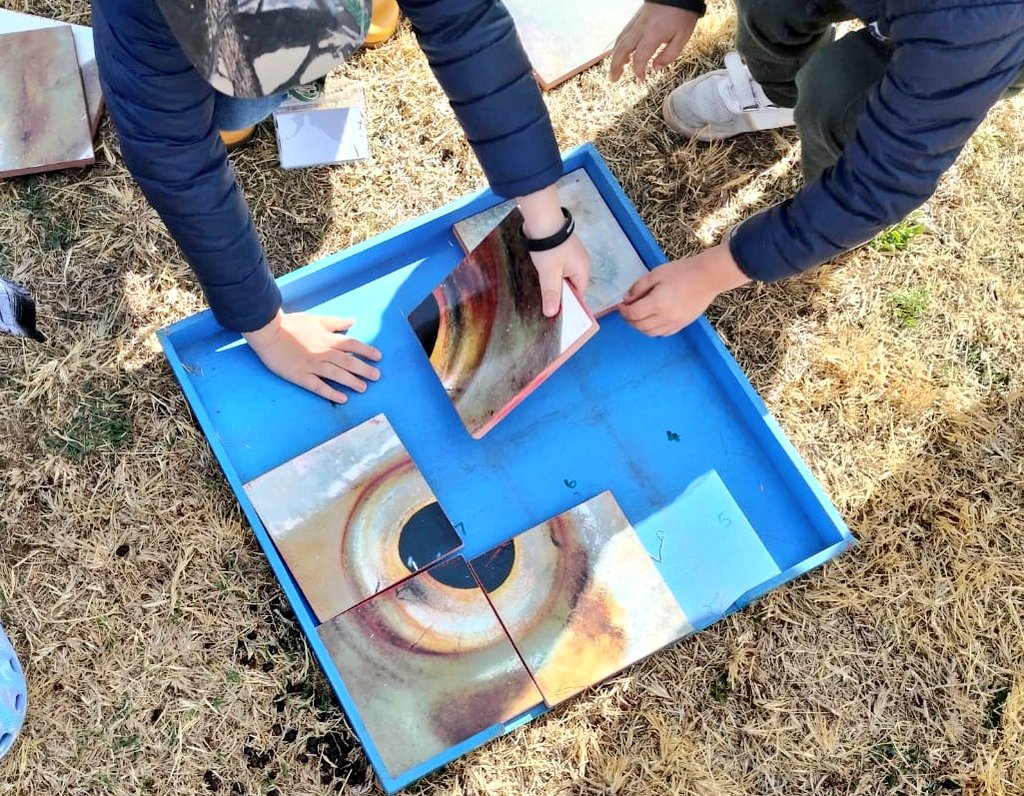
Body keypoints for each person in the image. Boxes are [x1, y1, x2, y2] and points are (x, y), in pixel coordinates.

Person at [91, 0, 590, 404]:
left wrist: (546, 221)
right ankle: (246, 90)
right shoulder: (141, 20)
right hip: (165, 32)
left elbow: (470, 30)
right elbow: (176, 164)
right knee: (236, 109)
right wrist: (268, 329)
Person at [609, 0, 1024, 337]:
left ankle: (826, 192)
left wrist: (711, 272)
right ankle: (780, 94)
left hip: (982, 34)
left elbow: (879, 184)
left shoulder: (971, 21)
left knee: (837, 96)